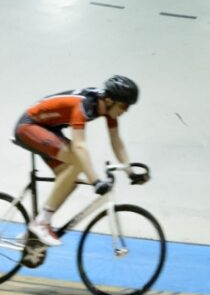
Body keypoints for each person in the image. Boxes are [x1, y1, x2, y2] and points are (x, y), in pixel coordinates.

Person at [14, 75, 146, 268]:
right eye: (124, 106)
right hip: (29, 127)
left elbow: (116, 142)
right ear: (109, 100)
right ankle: (41, 222)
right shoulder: (83, 106)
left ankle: (33, 229)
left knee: (71, 180)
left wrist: (130, 171)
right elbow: (80, 146)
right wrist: (95, 181)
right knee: (77, 161)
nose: (125, 111)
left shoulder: (107, 110)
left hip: (48, 130)